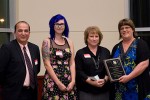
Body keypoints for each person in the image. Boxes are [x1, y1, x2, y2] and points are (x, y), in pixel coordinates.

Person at [110, 18, 150, 100]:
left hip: (138, 87)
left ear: (133, 29)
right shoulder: (116, 47)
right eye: (122, 28)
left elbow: (144, 64)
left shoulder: (141, 44)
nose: (124, 30)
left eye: (127, 27)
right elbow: (112, 64)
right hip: (119, 89)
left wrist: (129, 77)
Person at [0, 21, 41, 100]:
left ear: (29, 33)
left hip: (32, 93)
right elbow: (1, 71)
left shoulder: (35, 48)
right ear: (15, 32)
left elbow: (36, 69)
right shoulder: (7, 48)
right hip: (13, 93)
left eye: (26, 31)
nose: (23, 33)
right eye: (20, 30)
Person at [41, 14, 77, 100]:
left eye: (62, 24)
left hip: (68, 81)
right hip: (53, 81)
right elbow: (47, 64)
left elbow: (72, 63)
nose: (59, 26)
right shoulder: (47, 42)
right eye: (57, 24)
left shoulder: (69, 41)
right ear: (52, 25)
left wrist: (73, 81)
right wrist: (58, 83)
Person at [75, 26, 110, 100]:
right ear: (86, 38)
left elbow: (109, 69)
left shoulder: (106, 51)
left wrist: (105, 80)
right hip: (86, 91)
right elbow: (79, 71)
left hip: (104, 90)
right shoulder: (80, 53)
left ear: (99, 38)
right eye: (91, 36)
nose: (94, 39)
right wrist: (91, 82)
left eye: (96, 36)